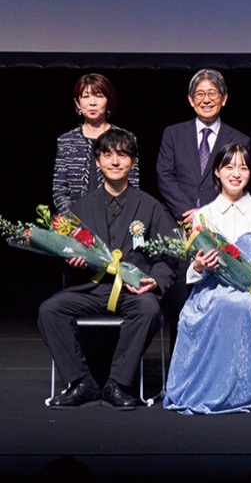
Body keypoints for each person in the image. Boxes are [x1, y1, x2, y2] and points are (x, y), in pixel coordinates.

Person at [39, 129, 176, 410]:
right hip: (93, 287)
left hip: (131, 290)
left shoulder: (150, 206)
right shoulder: (80, 207)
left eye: (123, 155)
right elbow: (60, 250)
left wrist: (155, 280)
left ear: (133, 163)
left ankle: (117, 383)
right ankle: (81, 382)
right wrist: (69, 259)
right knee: (49, 310)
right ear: (98, 161)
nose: (115, 161)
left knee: (149, 309)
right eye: (107, 155)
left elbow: (169, 256)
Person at [163, 143, 251, 414]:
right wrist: (199, 265)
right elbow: (193, 269)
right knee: (210, 308)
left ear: (250, 174)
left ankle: (237, 392)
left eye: (243, 167)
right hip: (211, 290)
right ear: (217, 171)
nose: (236, 173)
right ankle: (201, 388)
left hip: (250, 292)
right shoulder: (203, 215)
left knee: (239, 306)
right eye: (229, 166)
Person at [157, 69, 251, 226]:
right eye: (200, 94)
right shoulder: (173, 134)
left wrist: (206, 214)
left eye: (212, 93)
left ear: (224, 98)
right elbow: (164, 175)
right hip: (176, 220)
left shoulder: (239, 140)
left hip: (220, 222)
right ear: (191, 100)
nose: (206, 100)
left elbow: (238, 181)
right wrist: (188, 212)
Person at [53, 74, 140, 213]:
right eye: (86, 96)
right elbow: (59, 189)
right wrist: (73, 221)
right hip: (73, 224)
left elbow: (132, 186)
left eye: (99, 96)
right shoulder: (66, 140)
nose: (92, 102)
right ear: (78, 103)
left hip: (115, 220)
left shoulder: (125, 138)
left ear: (108, 102)